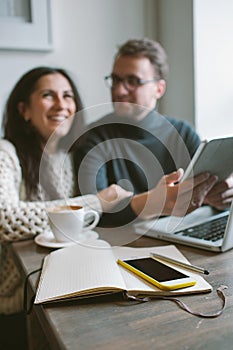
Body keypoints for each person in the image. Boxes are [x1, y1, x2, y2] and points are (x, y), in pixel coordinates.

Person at [0, 66, 132, 348]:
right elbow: (5, 219)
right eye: (48, 95)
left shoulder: (72, 158)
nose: (61, 104)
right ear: (24, 109)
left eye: (68, 96)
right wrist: (95, 202)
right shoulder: (6, 153)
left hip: (60, 288)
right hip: (12, 304)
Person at [76, 38, 233, 226]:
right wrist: (153, 203)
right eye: (116, 80)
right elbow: (92, 211)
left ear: (159, 89)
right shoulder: (93, 137)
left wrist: (222, 196)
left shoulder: (183, 133)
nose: (119, 90)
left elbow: (204, 198)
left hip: (181, 236)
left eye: (133, 81)